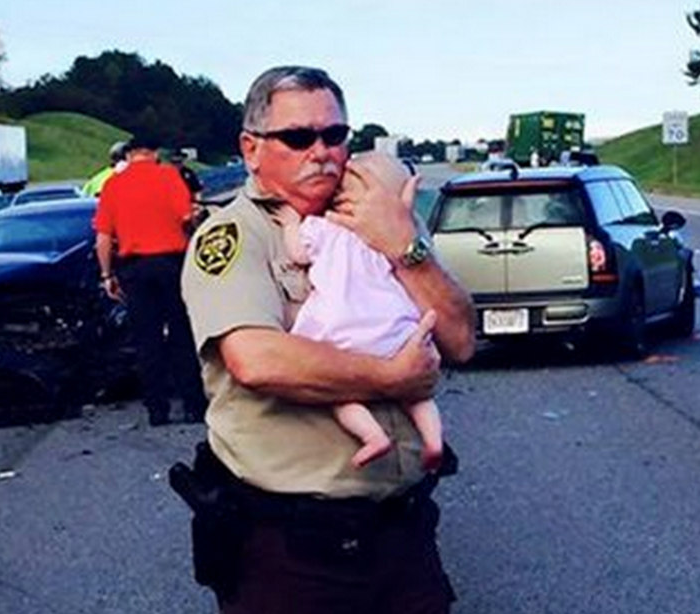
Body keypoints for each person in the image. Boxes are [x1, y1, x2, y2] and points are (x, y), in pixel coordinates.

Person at [176, 65, 476, 613]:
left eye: (334, 135)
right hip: (292, 551)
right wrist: (392, 376)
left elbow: (460, 338)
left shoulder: (381, 214)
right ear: (251, 149)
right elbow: (257, 360)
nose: (321, 151)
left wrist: (404, 246)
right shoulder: (235, 234)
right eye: (297, 137)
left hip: (402, 532)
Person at [273, 160, 443, 471]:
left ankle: (372, 436)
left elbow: (297, 253)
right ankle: (433, 440)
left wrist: (289, 225)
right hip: (393, 327)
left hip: (340, 328)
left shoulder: (324, 228)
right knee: (417, 392)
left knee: (339, 394)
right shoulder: (388, 235)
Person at [94, 135, 208, 426]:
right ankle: (194, 405)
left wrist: (107, 274)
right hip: (172, 264)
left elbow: (103, 238)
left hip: (134, 268)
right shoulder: (169, 177)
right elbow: (188, 219)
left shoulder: (113, 185)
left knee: (147, 341)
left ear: (128, 154)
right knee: (182, 336)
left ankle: (157, 410)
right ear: (155, 153)